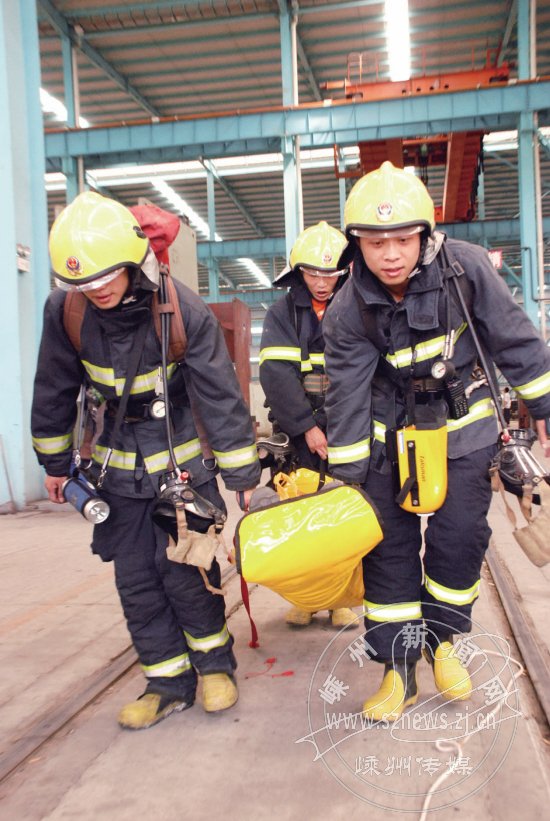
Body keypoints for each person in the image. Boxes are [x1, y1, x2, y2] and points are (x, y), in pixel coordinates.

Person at [323, 161, 550, 721]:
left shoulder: (466, 269)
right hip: (387, 446)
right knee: (388, 555)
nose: (391, 254)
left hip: (464, 432)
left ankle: (443, 644)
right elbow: (347, 398)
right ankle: (397, 671)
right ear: (357, 245)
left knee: (459, 543)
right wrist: (348, 482)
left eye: (403, 238)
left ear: (425, 235)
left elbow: (517, 342)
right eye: (376, 243)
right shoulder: (348, 307)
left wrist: (546, 410)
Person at [31, 192, 260, 729]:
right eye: (84, 283)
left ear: (134, 260)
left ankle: (215, 668)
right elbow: (54, 387)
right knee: (135, 581)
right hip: (116, 473)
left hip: (184, 470)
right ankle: (166, 680)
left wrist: (242, 475)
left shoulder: (183, 311)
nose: (98, 289)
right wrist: (56, 463)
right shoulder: (66, 314)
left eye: (107, 275)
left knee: (186, 573)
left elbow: (219, 396)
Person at [259, 221, 356, 629]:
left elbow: (365, 374)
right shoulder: (282, 314)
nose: (322, 282)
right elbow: (277, 377)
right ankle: (305, 598)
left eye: (331, 274)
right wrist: (306, 429)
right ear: (298, 272)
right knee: (298, 517)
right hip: (300, 436)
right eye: (314, 273)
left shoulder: (357, 306)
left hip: (347, 430)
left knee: (342, 516)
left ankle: (339, 601)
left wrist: (344, 428)